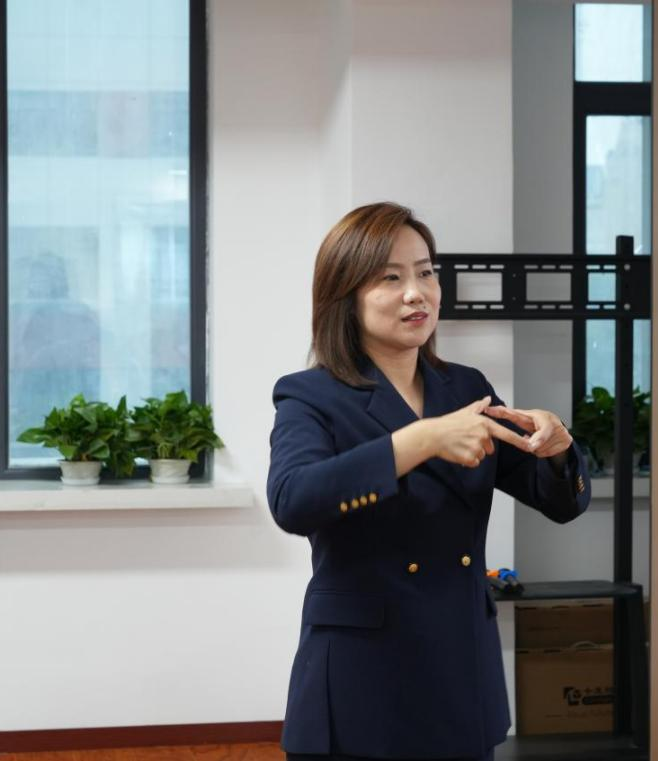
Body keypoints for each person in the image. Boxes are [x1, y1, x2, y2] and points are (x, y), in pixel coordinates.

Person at [267, 202, 592, 761]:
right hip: (362, 675)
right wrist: (419, 440)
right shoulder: (310, 394)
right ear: (345, 295)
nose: (417, 293)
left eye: (426, 273)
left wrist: (560, 451)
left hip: (458, 665)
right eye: (390, 278)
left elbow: (557, 502)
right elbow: (293, 500)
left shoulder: (465, 386)